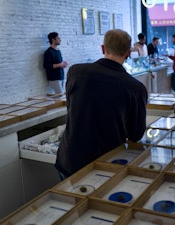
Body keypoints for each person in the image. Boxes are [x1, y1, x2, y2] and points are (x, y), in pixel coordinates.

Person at [55, 29, 148, 179]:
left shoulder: (75, 72)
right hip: (106, 163)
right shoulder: (136, 88)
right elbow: (136, 134)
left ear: (103, 48)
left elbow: (72, 107)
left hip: (70, 159)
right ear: (128, 53)